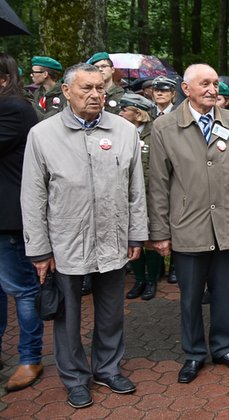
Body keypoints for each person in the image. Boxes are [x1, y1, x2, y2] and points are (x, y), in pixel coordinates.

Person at [21, 63, 148, 408]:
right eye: (86, 89)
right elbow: (33, 197)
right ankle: (75, 377)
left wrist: (136, 235)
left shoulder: (123, 130)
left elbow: (136, 189)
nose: (95, 95)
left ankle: (107, 368)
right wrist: (39, 250)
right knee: (68, 316)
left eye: (99, 88)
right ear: (66, 92)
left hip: (113, 237)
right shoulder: (43, 135)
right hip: (65, 241)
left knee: (111, 311)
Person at [148, 64, 229, 382]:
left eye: (216, 84)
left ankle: (223, 348)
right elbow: (158, 184)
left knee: (225, 293)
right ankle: (194, 353)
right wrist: (159, 231)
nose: (212, 89)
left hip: (227, 224)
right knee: (191, 296)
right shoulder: (165, 127)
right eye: (204, 84)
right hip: (188, 225)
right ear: (186, 88)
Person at [0, 53, 44, 392]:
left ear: (3, 79)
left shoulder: (14, 109)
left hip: (8, 219)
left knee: (23, 291)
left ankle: (30, 358)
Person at [118, 93, 161, 301]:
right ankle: (138, 280)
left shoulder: (156, 132)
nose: (120, 113)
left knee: (151, 240)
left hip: (151, 195)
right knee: (132, 238)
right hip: (126, 196)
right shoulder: (119, 133)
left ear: (137, 112)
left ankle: (151, 280)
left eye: (124, 109)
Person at [30, 56, 66, 120]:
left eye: (34, 72)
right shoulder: (37, 93)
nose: (31, 75)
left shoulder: (63, 94)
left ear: (45, 74)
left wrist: (31, 104)